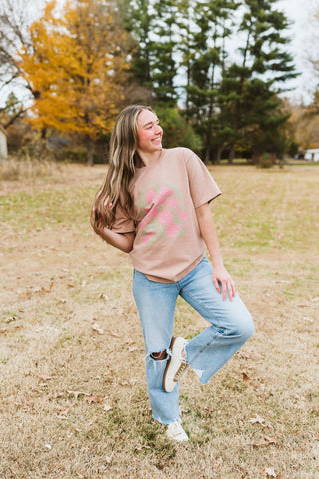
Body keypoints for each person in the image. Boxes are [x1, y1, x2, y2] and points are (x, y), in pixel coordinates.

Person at [91, 105, 254, 443]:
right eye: (149, 127)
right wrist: (102, 230)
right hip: (151, 278)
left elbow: (204, 215)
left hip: (195, 268)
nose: (158, 129)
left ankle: (187, 354)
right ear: (131, 137)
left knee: (239, 324)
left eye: (158, 123)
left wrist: (218, 264)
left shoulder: (183, 158)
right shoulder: (124, 181)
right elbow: (130, 243)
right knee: (156, 353)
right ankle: (169, 419)